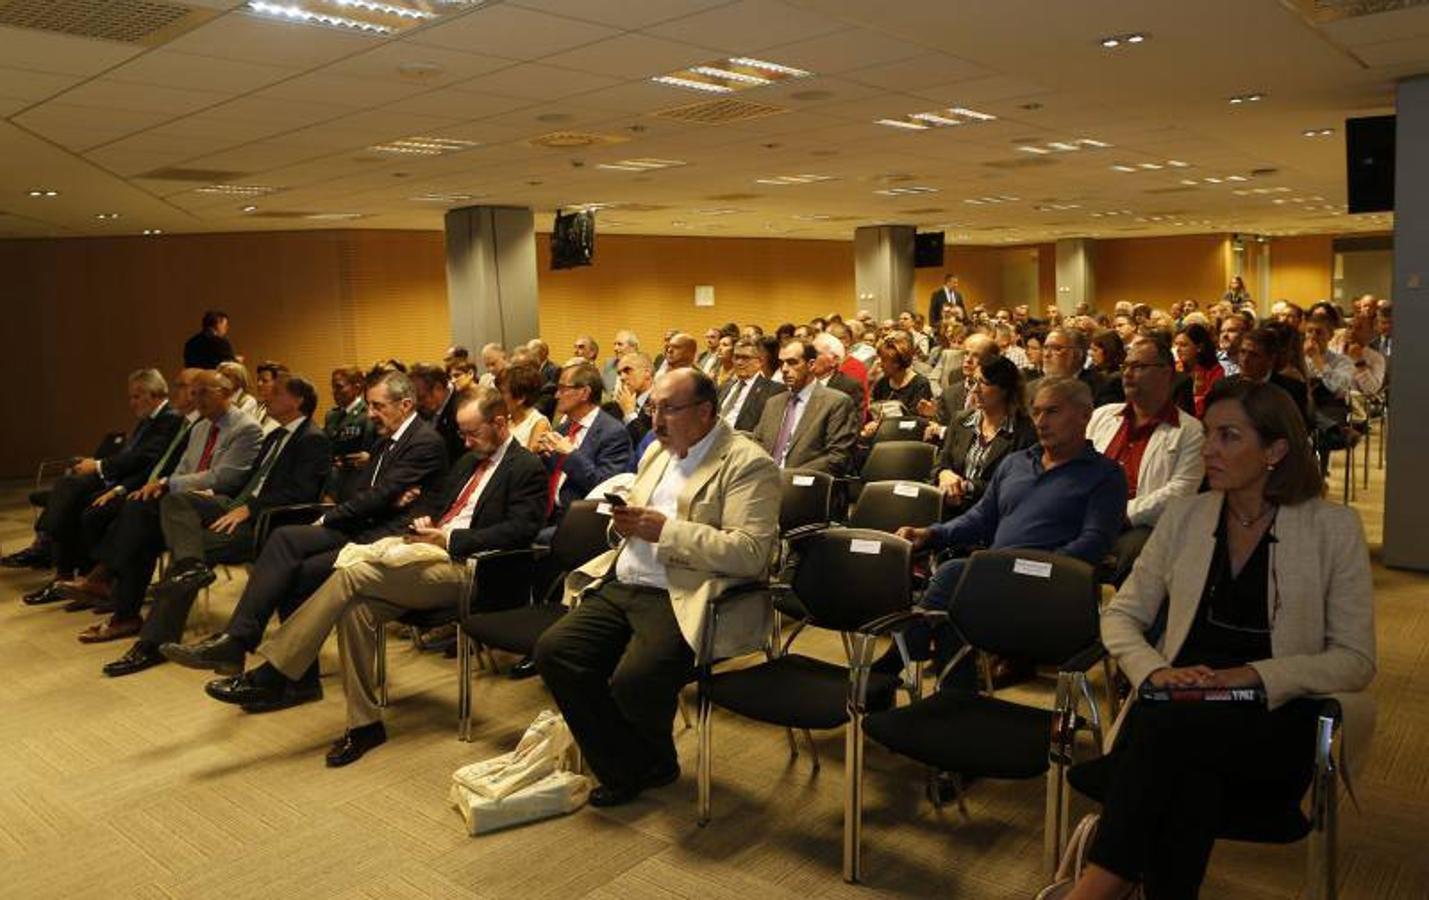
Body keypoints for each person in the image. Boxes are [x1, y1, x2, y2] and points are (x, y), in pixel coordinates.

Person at [1065, 379, 1375, 900]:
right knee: (1186, 765)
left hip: (1275, 715)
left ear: (1275, 450)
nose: (1209, 448)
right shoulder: (1187, 517)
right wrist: (1155, 672)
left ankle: (1101, 882)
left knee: (1170, 740)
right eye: (1208, 434)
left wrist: (1251, 676)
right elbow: (1121, 617)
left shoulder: (1332, 529)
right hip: (1177, 700)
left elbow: (1356, 659)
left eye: (1229, 436)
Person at [202, 387, 549, 764]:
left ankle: (275, 671)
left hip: (474, 570)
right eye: (462, 433)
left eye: (472, 433)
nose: (464, 441)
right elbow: (437, 503)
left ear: (499, 423)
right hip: (423, 554)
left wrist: (450, 537)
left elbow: (520, 530)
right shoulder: (467, 462)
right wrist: (420, 513)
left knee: (352, 572)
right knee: (357, 611)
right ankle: (364, 725)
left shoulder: (526, 467)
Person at [534, 369, 780, 806]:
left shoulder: (747, 463)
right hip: (625, 579)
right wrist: (624, 522)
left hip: (684, 592)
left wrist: (666, 531)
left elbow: (750, 553)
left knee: (636, 679)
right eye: (653, 408)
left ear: (705, 412)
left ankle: (636, 768)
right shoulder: (656, 453)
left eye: (670, 409)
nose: (656, 420)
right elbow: (638, 523)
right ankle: (635, 762)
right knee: (557, 651)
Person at [158, 371, 449, 696]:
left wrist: (335, 516)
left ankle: (285, 678)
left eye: (377, 406)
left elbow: (379, 495)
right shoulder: (386, 439)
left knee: (298, 574)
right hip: (364, 523)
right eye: (369, 406)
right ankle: (236, 640)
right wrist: (379, 496)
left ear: (405, 404)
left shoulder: (425, 442)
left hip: (387, 536)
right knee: (283, 539)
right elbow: (363, 489)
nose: (370, 414)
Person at [882, 377, 1127, 679]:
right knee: (951, 587)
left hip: (1052, 580)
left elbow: (1096, 541)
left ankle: (897, 663)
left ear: (1084, 415)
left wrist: (1041, 565)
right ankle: (951, 687)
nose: (1041, 421)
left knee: (952, 578)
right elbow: (981, 518)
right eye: (1036, 412)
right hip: (997, 575)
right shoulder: (1016, 463)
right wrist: (931, 534)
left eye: (1052, 412)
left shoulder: (1105, 475)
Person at [104, 374, 332, 676]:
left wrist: (249, 509)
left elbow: (300, 493)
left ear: (298, 400)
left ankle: (151, 644)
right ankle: (190, 568)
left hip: (265, 523)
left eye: (276, 393)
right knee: (176, 501)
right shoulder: (277, 436)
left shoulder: (313, 438)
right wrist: (220, 498)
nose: (267, 396)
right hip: (234, 504)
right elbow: (250, 478)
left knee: (185, 550)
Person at [65, 370, 263, 643]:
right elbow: (183, 467)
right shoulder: (201, 426)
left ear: (226, 393)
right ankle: (123, 613)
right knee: (141, 521)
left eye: (204, 392)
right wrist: (160, 483)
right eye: (195, 393)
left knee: (140, 513)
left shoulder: (247, 428)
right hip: (180, 503)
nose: (198, 399)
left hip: (215, 503)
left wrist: (169, 482)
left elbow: (225, 477)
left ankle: (107, 581)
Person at [18, 369, 185, 603]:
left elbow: (146, 461)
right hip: (123, 479)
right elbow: (133, 457)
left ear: (154, 393)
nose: (132, 403)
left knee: (83, 503)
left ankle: (60, 557)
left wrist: (101, 469)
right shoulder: (149, 420)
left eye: (136, 397)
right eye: (131, 397)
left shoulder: (169, 418)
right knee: (72, 489)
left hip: (140, 486)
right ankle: (70, 572)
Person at [1089, 336, 1206, 584]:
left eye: (1139, 367)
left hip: (1138, 524)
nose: (1128, 374)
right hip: (1086, 513)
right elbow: (1077, 467)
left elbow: (1180, 493)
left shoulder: (1190, 430)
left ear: (1167, 373)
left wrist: (1119, 513)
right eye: (1125, 366)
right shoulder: (1102, 416)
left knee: (1137, 549)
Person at [932, 356, 1036, 515]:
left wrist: (968, 487)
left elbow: (1015, 485)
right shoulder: (961, 420)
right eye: (974, 381)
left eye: (984, 383)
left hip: (995, 516)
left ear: (1004, 389)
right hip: (951, 511)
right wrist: (944, 474)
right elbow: (941, 462)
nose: (975, 389)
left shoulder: (1024, 431)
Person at [537, 361, 632, 523]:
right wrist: (540, 457)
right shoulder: (562, 429)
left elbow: (605, 487)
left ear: (584, 393)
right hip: (546, 515)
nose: (556, 395)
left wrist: (570, 454)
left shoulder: (613, 433)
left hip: (581, 521)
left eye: (562, 389)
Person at [752, 339, 857, 476]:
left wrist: (788, 476)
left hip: (805, 486)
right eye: (781, 363)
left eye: (792, 362)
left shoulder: (836, 402)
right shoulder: (773, 403)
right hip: (764, 483)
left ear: (811, 365)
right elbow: (757, 444)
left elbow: (837, 457)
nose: (784, 369)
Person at [1036, 327, 1124, 408]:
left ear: (1078, 354)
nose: (1046, 354)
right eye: (1045, 348)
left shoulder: (1104, 386)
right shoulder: (1034, 387)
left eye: (1057, 349)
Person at [866, 331, 933, 434]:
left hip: (908, 438)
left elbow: (915, 423)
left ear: (896, 364)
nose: (878, 363)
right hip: (883, 435)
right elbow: (873, 414)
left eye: (883, 360)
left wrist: (883, 425)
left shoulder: (920, 384)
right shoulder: (882, 383)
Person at [716, 338, 785, 433]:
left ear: (760, 362)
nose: (739, 362)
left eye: (745, 358)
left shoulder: (773, 390)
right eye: (736, 357)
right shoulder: (725, 386)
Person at [409, 362, 461, 462]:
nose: (417, 404)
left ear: (438, 388)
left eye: (421, 397)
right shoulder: (424, 409)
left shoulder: (461, 410)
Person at [495, 361, 551, 451]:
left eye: (502, 392)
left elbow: (527, 462)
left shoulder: (539, 424)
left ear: (520, 398)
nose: (498, 397)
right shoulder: (505, 418)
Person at [1172, 323, 1224, 418]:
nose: (1178, 349)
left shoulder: (1214, 371)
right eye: (1176, 345)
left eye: (1183, 345)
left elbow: (1209, 405)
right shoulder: (1174, 368)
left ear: (1199, 347)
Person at [811, 332, 865, 418]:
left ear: (834, 360)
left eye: (815, 354)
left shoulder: (849, 387)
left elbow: (852, 424)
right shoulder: (801, 382)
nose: (809, 359)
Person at [612, 351, 656, 448]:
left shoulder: (661, 403)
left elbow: (650, 447)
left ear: (647, 373)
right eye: (619, 373)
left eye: (627, 370)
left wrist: (629, 414)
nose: (622, 377)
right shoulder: (620, 404)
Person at [604, 330, 640, 395]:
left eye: (620, 344)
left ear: (633, 347)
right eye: (615, 344)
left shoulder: (642, 366)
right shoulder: (609, 364)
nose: (615, 348)